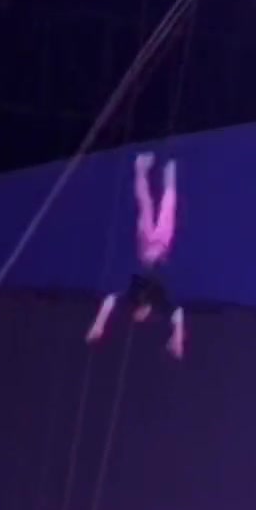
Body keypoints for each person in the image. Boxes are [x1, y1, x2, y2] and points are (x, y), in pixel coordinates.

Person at [86, 153, 184, 359]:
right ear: (148, 314)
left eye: (136, 315)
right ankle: (170, 174)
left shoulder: (132, 296)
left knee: (146, 205)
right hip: (162, 245)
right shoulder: (159, 300)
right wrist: (177, 338)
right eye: (142, 316)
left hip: (146, 246)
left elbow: (110, 300)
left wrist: (98, 325)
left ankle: (140, 168)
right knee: (168, 206)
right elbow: (178, 313)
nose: (139, 314)